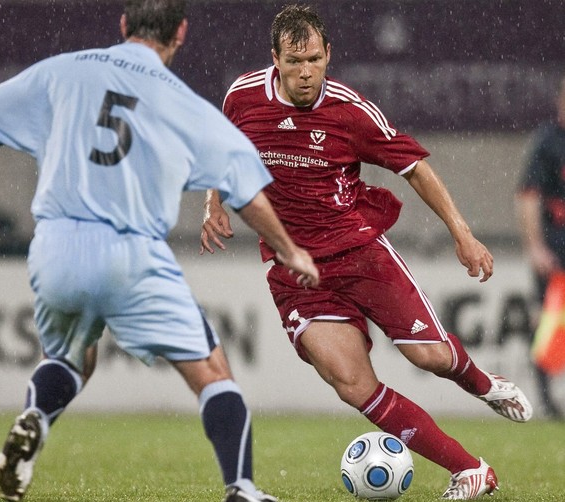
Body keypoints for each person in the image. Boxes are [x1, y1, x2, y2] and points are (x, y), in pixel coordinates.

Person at [0, 1, 320, 501]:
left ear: (123, 26)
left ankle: (35, 416)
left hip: (55, 246)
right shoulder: (180, 102)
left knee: (73, 355)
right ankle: (242, 488)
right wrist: (290, 250)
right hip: (132, 251)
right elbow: (245, 191)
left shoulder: (60, 73)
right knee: (210, 371)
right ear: (180, 33)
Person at [200, 4, 533, 500]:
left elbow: (415, 167)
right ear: (275, 60)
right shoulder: (243, 97)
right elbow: (218, 147)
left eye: (314, 59)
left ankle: (483, 383)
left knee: (429, 356)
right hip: (297, 271)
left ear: (328, 54)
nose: (306, 72)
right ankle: (471, 471)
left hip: (360, 253)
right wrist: (213, 203)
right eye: (295, 62)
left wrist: (462, 234)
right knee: (352, 384)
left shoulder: (350, 110)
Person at [515, 75, 565, 420]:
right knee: (548, 324)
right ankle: (547, 402)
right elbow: (529, 195)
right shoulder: (549, 142)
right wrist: (535, 246)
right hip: (556, 251)